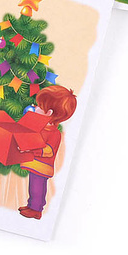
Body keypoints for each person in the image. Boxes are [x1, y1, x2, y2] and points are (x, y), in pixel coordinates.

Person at [18, 85, 78, 220]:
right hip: (34, 164)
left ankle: (36, 210)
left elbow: (48, 151)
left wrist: (32, 149)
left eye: (39, 106)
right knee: (33, 187)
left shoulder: (54, 133)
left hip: (42, 167)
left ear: (49, 113)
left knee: (37, 188)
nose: (35, 107)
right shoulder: (40, 127)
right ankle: (31, 206)